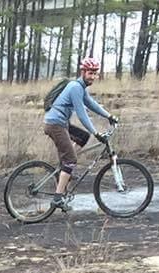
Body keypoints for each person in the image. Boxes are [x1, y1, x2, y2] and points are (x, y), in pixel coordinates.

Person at [42, 57, 118, 209]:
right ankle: (57, 198)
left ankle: (66, 170)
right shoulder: (75, 87)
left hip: (61, 123)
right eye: (90, 73)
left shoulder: (80, 87)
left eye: (96, 74)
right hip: (55, 125)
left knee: (83, 137)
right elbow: (82, 114)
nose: (93, 77)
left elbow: (91, 104)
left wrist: (109, 116)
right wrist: (96, 133)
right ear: (82, 72)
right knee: (70, 160)